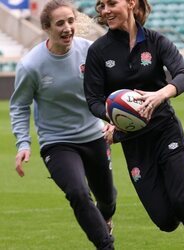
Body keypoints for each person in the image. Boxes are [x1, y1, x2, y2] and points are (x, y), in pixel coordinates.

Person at [84, 0, 184, 249]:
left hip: (165, 131)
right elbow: (93, 100)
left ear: (131, 3)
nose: (105, 11)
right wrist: (111, 117)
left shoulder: (156, 41)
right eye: (101, 6)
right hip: (132, 140)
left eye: (111, 3)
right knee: (165, 221)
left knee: (183, 204)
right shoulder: (98, 51)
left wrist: (162, 94)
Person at [9, 0, 116, 249]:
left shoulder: (91, 51)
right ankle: (106, 245)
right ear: (47, 28)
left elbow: (110, 88)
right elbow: (19, 106)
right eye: (60, 23)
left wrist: (112, 120)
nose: (68, 28)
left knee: (107, 200)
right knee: (78, 193)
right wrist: (23, 143)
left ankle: (106, 218)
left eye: (70, 21)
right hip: (57, 143)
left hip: (94, 135)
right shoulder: (31, 65)